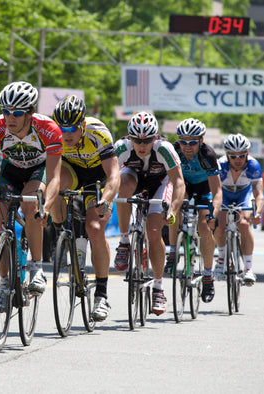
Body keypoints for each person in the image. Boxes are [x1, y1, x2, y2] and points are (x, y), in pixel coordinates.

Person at [0, 81, 62, 304]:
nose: (10, 118)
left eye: (17, 113)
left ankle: (36, 267)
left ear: (31, 112)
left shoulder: (48, 129)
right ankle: (5, 281)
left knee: (30, 206)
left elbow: (55, 176)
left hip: (39, 170)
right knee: (1, 228)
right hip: (12, 171)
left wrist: (45, 208)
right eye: (6, 112)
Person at [48, 95, 119, 322]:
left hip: (96, 177)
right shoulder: (53, 135)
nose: (66, 133)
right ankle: (60, 232)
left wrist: (106, 200)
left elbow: (114, 175)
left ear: (83, 125)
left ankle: (101, 294)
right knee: (56, 185)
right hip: (71, 171)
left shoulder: (98, 133)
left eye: (72, 128)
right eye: (62, 128)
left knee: (95, 227)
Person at [113, 111, 185, 316]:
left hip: (160, 184)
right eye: (136, 140)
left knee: (153, 233)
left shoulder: (164, 149)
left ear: (154, 138)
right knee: (123, 186)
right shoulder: (121, 148)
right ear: (130, 138)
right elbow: (109, 178)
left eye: (146, 140)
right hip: (134, 177)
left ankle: (159, 288)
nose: (141, 145)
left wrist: (172, 210)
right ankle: (125, 241)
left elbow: (179, 182)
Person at [165, 118, 222, 303]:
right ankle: (172, 252)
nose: (187, 146)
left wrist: (214, 212)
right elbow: (169, 181)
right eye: (183, 141)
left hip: (205, 188)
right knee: (176, 212)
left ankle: (207, 276)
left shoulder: (208, 155)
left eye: (192, 142)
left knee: (205, 227)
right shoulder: (173, 151)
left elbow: (217, 191)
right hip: (185, 187)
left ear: (201, 141)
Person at [213, 133, 264, 286]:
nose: (238, 160)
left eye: (242, 155)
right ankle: (221, 259)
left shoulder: (253, 166)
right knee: (221, 222)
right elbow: (214, 191)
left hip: (244, 194)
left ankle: (248, 269)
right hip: (224, 194)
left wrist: (258, 213)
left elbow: (259, 193)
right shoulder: (220, 165)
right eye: (233, 156)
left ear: (247, 153)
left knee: (243, 223)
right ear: (227, 155)